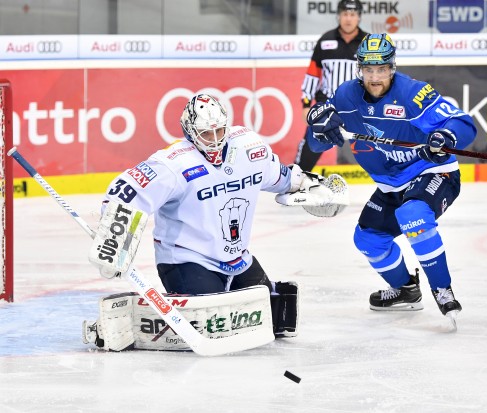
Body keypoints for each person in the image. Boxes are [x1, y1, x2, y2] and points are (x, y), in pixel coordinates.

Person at [83, 93, 345, 351]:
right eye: (206, 134)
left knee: (274, 317)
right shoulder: (173, 164)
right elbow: (124, 193)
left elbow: (281, 177)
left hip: (238, 259)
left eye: (220, 131)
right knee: (214, 325)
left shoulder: (249, 149)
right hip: (186, 260)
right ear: (189, 132)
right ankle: (122, 323)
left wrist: (308, 185)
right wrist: (113, 241)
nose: (215, 140)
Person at [305, 33, 477, 325]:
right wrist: (319, 128)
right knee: (368, 239)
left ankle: (442, 288)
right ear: (360, 69)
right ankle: (405, 290)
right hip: (390, 185)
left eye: (381, 69)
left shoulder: (413, 93)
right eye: (369, 70)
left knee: (414, 215)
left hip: (432, 172)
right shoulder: (346, 96)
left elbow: (464, 123)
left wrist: (445, 136)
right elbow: (315, 145)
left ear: (392, 67)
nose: (375, 77)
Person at [296, 0, 367, 171]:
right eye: (345, 14)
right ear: (338, 16)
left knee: (378, 149)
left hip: (358, 107)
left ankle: (394, 189)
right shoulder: (325, 41)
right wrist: (306, 104)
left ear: (359, 17)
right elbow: (313, 74)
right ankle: (296, 181)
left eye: (352, 14)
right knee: (310, 147)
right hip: (328, 105)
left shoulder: (367, 42)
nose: (348, 19)